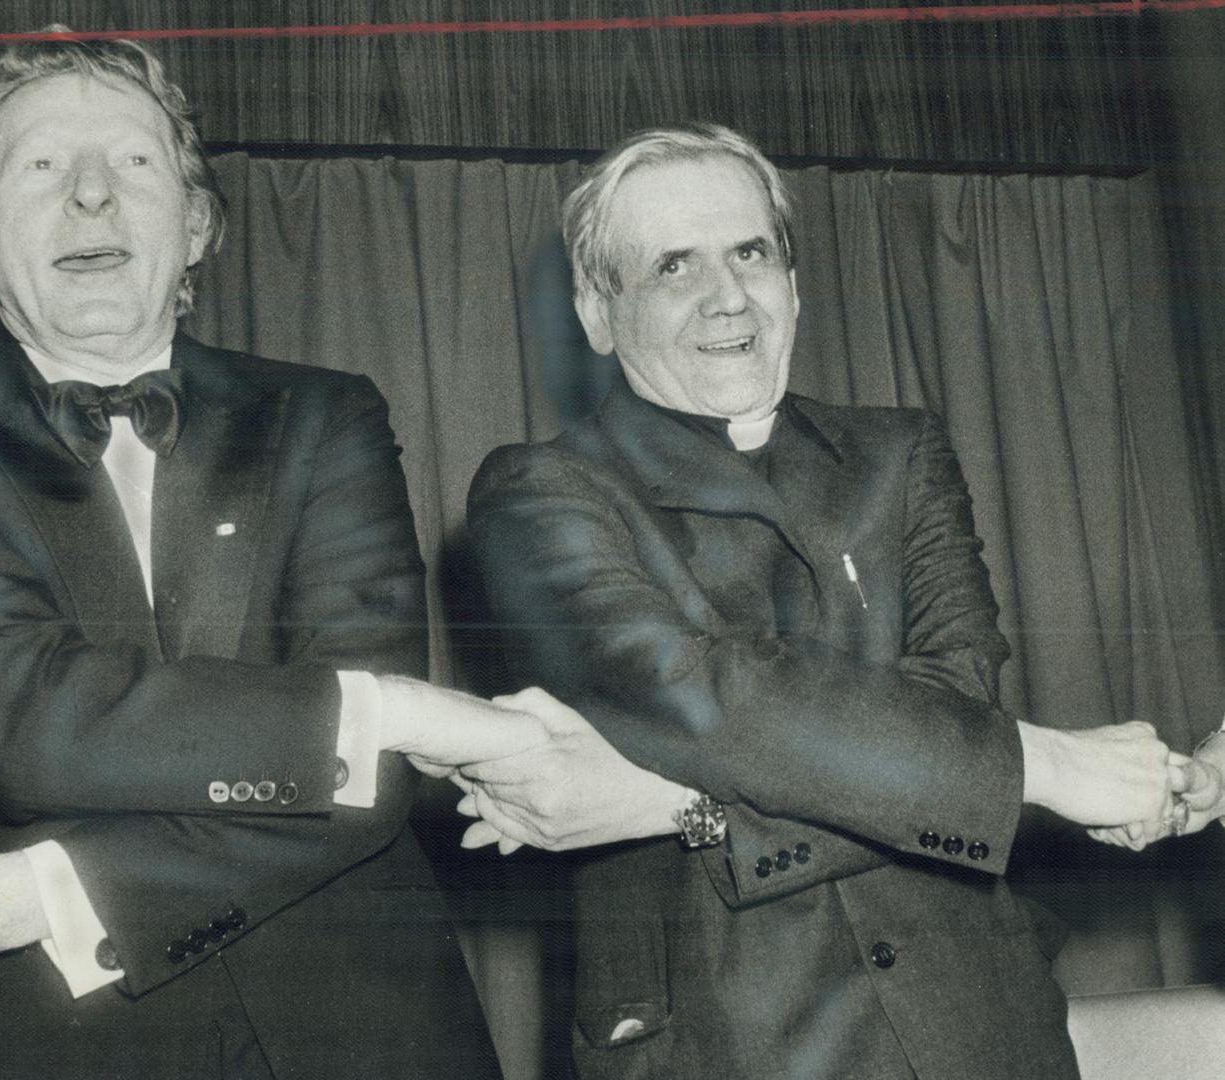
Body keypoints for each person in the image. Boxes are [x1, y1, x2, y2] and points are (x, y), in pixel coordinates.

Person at [0, 30, 525, 1080]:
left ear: (201, 222)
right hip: (53, 1046)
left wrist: (22, 897)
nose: (90, 194)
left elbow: (373, 776)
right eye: (41, 165)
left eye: (132, 160)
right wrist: (375, 719)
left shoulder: (326, 414)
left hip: (372, 1038)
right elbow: (28, 726)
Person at [461, 122, 1188, 1079]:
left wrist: (689, 810)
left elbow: (956, 697)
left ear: (793, 280)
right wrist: (1041, 766)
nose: (728, 296)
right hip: (726, 1042)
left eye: (750, 251)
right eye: (673, 266)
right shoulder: (539, 491)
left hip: (980, 1022)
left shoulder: (902, 454)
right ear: (600, 313)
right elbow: (699, 696)